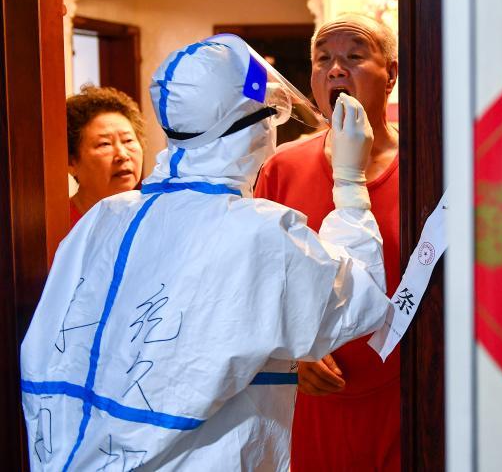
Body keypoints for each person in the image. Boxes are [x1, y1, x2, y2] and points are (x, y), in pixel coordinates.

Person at [20, 35, 390, 471]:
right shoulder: (259, 233)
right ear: (256, 126)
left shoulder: (104, 219)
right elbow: (362, 301)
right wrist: (349, 180)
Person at [255, 13, 401, 471]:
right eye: (323, 60)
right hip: (316, 399)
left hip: (409, 390)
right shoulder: (283, 168)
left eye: (354, 56)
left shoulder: (430, 163)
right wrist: (290, 352)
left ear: (390, 75)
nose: (336, 69)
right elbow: (258, 279)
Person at [66, 86, 146, 227]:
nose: (122, 155)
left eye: (128, 140)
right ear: (71, 163)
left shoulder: (153, 218)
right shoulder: (57, 228)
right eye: (105, 144)